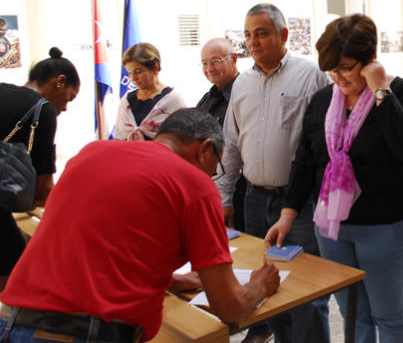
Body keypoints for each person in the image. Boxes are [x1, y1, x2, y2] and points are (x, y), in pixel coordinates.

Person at [0, 108, 280, 342]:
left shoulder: (92, 152)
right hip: (87, 332)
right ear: (205, 149)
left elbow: (102, 244)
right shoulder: (194, 184)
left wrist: (172, 281)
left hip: (12, 321)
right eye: (214, 169)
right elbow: (229, 306)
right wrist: (259, 286)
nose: (211, 177)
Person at [266, 14, 403, 343]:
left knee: (388, 314)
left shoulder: (398, 91)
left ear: (370, 59)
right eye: (331, 70)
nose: (337, 77)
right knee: (354, 313)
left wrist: (380, 90)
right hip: (333, 227)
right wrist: (288, 214)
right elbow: (305, 160)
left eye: (345, 68)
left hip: (388, 224)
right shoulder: (324, 100)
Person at [217, 3, 330, 343]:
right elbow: (231, 143)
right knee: (270, 288)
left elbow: (326, 142)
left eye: (261, 34)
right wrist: (225, 197)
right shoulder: (242, 83)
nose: (253, 42)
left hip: (300, 204)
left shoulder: (311, 76)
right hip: (254, 201)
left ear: (283, 35)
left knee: (308, 292)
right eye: (248, 35)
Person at [0, 47, 80, 291]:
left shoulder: (3, 89)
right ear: (59, 81)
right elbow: (44, 190)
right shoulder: (43, 109)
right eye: (69, 98)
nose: (65, 108)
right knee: (15, 276)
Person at [196, 37, 246, 232]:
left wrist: (226, 198)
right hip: (209, 187)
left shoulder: (245, 94)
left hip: (237, 192)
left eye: (215, 61)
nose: (209, 68)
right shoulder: (208, 98)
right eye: (204, 63)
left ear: (234, 59)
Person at [114, 42, 187, 140]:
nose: (133, 78)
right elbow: (118, 138)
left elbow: (184, 139)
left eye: (138, 71)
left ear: (155, 68)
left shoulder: (174, 101)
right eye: (130, 73)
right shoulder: (127, 100)